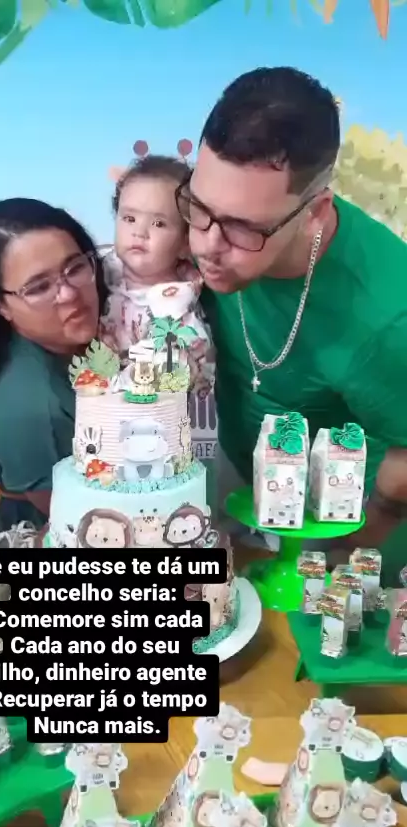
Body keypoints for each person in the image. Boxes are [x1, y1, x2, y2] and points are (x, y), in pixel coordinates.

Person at [175, 67, 407, 578]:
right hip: (260, 499)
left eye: (243, 229)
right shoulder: (205, 232)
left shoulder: (389, 317)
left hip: (354, 529)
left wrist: (344, 553)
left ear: (315, 212)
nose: (207, 246)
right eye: (199, 207)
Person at [0, 198, 107, 533]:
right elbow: (90, 525)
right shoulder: (31, 409)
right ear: (1, 305)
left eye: (75, 268)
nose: (69, 294)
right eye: (39, 287)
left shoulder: (102, 331)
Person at [99, 154, 214, 396]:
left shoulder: (177, 305)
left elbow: (187, 373)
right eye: (129, 218)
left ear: (186, 242)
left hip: (154, 409)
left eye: (159, 223)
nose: (139, 232)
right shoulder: (100, 275)